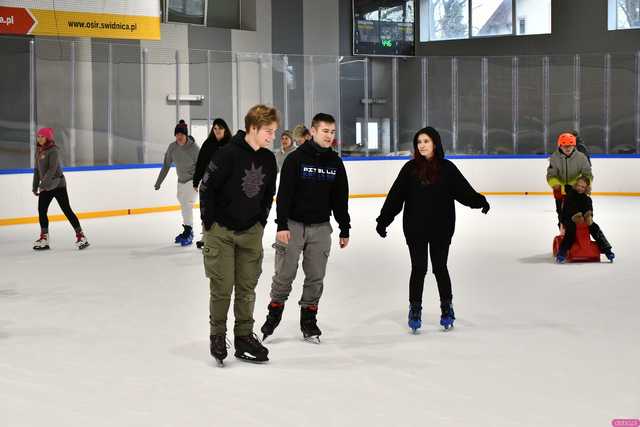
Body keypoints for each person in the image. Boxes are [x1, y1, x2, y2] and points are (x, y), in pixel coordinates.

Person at [375, 127, 490, 333]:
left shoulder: (447, 168)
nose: (422, 145)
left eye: (426, 141)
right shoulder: (410, 169)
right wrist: (384, 220)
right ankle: (415, 309)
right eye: (419, 142)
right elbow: (395, 197)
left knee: (440, 268)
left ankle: (447, 308)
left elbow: (463, 190)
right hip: (415, 228)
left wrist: (479, 201)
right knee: (418, 268)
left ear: (435, 143)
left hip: (441, 227)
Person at [260, 113, 350, 344]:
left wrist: (344, 227)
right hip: (293, 225)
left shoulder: (335, 163)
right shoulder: (296, 159)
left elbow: (340, 198)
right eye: (325, 131)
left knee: (316, 277)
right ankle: (274, 314)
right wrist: (281, 225)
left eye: (332, 132)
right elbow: (284, 195)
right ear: (313, 131)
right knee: (284, 274)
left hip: (321, 228)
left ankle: (308, 320)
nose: (330, 136)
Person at [200, 105, 278, 365]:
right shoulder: (226, 155)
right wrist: (208, 223)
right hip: (220, 232)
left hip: (250, 233)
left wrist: (260, 223)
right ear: (253, 128)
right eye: (268, 131)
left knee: (247, 289)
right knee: (222, 288)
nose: (272, 137)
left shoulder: (268, 160)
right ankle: (218, 335)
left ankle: (244, 335)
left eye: (274, 132)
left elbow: (268, 193)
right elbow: (207, 188)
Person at [32, 127, 89, 251]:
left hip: (58, 184)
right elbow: (37, 170)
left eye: (42, 136)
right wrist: (35, 185)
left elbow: (52, 169)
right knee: (42, 211)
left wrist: (42, 185)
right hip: (46, 186)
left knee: (67, 210)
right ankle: (44, 238)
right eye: (38, 136)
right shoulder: (38, 151)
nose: (39, 138)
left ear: (48, 138)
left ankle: (81, 236)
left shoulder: (53, 150)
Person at [154, 120, 200, 246]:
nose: (179, 137)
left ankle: (189, 232)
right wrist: (159, 182)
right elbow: (166, 165)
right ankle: (187, 229)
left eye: (181, 134)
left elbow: (203, 165)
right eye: (177, 135)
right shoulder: (172, 147)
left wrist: (199, 182)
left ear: (186, 135)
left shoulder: (194, 148)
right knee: (181, 200)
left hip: (193, 180)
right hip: (181, 181)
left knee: (187, 204)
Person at [555, 176, 614, 263]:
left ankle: (607, 250)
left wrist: (588, 216)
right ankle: (562, 252)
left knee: (594, 227)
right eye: (579, 185)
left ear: (586, 188)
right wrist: (575, 216)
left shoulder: (587, 199)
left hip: (583, 220)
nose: (580, 188)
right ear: (576, 185)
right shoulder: (569, 196)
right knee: (571, 230)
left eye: (583, 187)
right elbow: (568, 209)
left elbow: (588, 209)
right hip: (569, 218)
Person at [193, 118, 232, 249]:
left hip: (226, 185)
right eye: (215, 128)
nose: (217, 131)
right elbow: (200, 163)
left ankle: (225, 236)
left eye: (220, 128)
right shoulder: (208, 144)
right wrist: (196, 180)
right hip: (208, 184)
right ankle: (206, 236)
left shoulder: (231, 145)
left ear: (225, 130)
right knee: (207, 210)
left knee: (224, 210)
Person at [547, 133, 592, 227]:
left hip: (576, 190)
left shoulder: (581, 157)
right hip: (561, 190)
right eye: (565, 146)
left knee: (579, 211)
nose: (567, 149)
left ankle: (583, 231)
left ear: (574, 146)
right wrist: (556, 185)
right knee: (561, 213)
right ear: (560, 146)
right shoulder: (554, 158)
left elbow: (587, 173)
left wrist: (586, 184)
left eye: (570, 146)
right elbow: (551, 175)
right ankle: (563, 231)